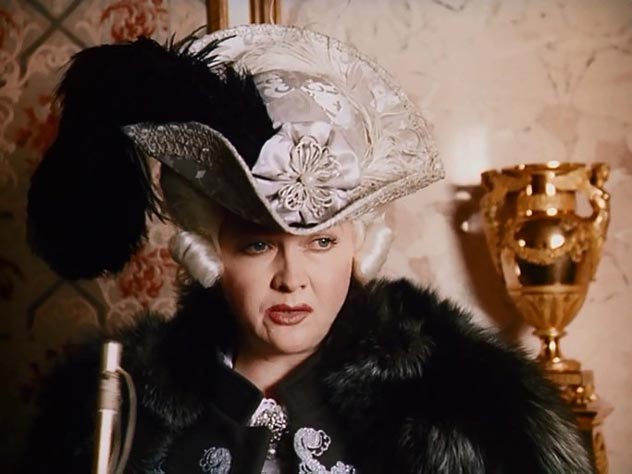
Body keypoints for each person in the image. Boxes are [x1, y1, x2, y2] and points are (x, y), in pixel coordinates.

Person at [22, 25, 593, 473]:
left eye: (321, 241)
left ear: (358, 249)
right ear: (211, 255)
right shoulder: (116, 406)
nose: (292, 278)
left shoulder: (471, 406)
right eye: (258, 245)